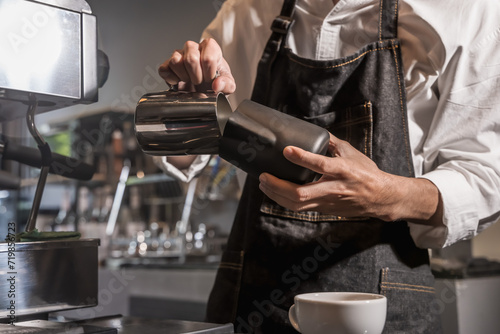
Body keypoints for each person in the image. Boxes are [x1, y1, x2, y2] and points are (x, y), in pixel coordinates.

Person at [156, 0, 500, 332]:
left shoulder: (466, 9)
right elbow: (189, 154)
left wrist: (386, 194)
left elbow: (486, 176)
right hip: (253, 304)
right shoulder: (246, 10)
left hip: (383, 307)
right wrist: (192, 109)